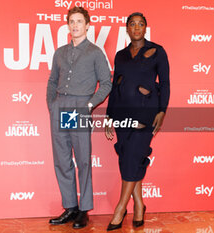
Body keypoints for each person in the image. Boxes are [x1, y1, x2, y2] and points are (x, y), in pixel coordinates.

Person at [46, 6, 112, 229]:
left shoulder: (95, 52)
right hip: (60, 106)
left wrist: (90, 104)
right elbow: (52, 81)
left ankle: (84, 209)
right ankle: (70, 207)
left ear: (87, 25)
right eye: (71, 22)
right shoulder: (60, 52)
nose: (75, 25)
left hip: (80, 106)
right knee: (62, 159)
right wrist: (52, 105)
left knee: (83, 159)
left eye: (79, 22)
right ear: (68, 25)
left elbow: (106, 83)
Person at [105, 12, 170, 231]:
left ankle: (120, 209)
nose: (136, 27)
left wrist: (162, 110)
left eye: (140, 24)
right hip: (121, 114)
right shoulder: (121, 55)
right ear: (127, 29)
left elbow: (166, 84)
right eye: (132, 24)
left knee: (133, 156)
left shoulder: (158, 51)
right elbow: (115, 86)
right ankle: (140, 205)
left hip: (145, 113)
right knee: (128, 158)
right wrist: (108, 116)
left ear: (145, 28)